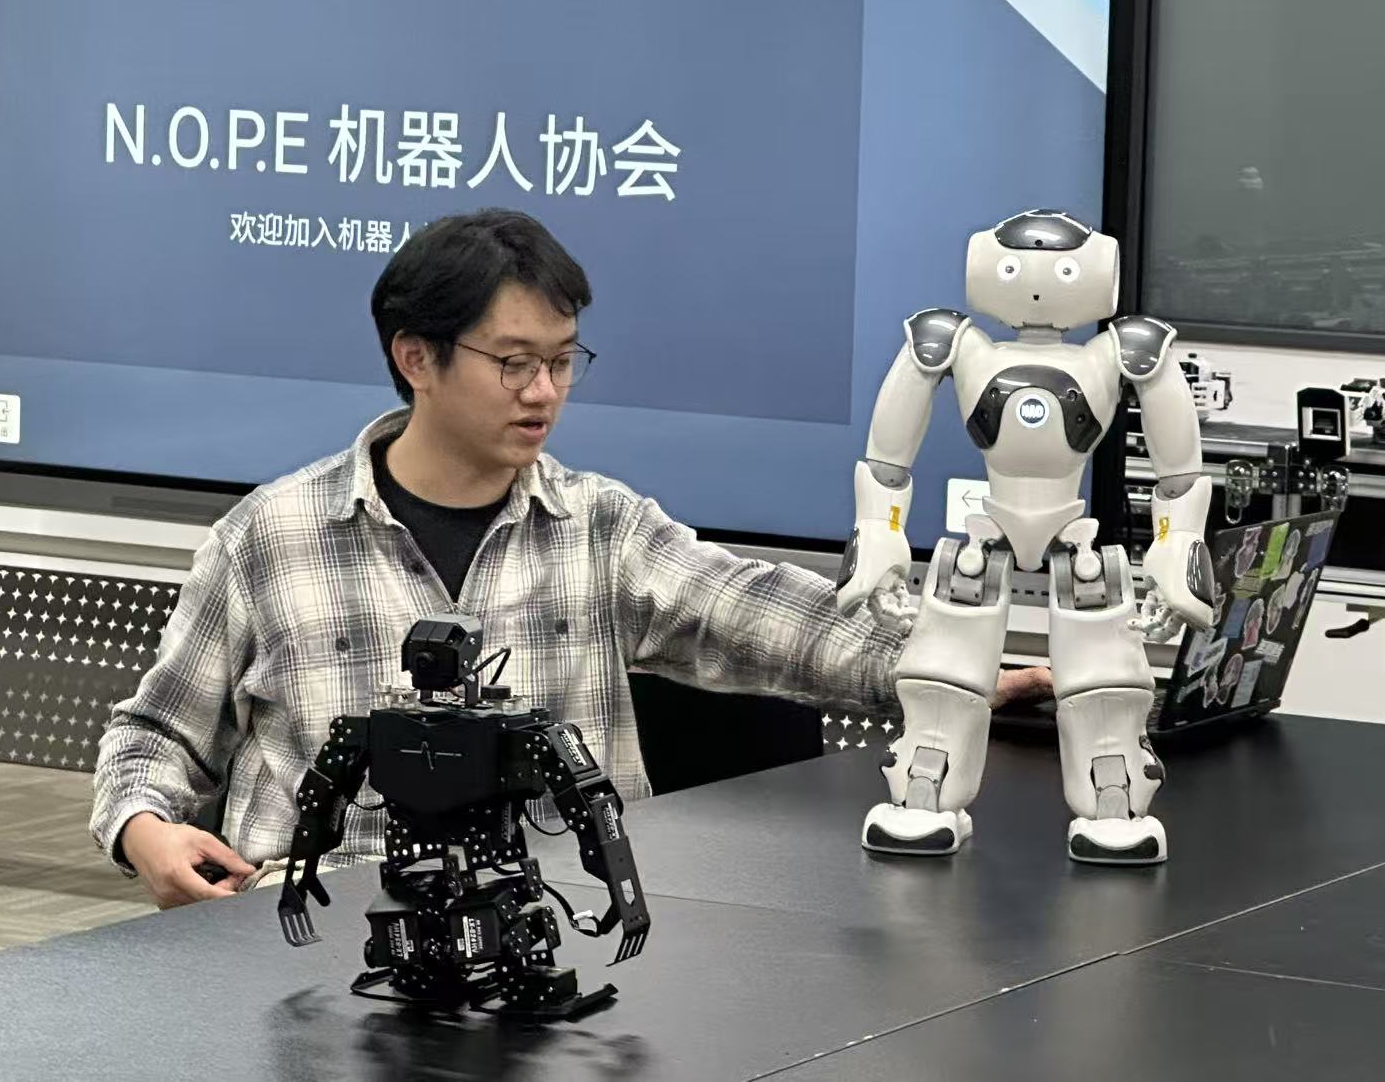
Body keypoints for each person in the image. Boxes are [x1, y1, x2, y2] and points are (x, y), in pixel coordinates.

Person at [90, 209, 1053, 908]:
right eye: (514, 362)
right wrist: (144, 832)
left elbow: (761, 616)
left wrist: (941, 661)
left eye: (562, 360)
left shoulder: (599, 527)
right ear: (417, 358)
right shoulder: (268, 538)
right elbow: (156, 737)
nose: (545, 391)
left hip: (554, 936)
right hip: (314, 946)